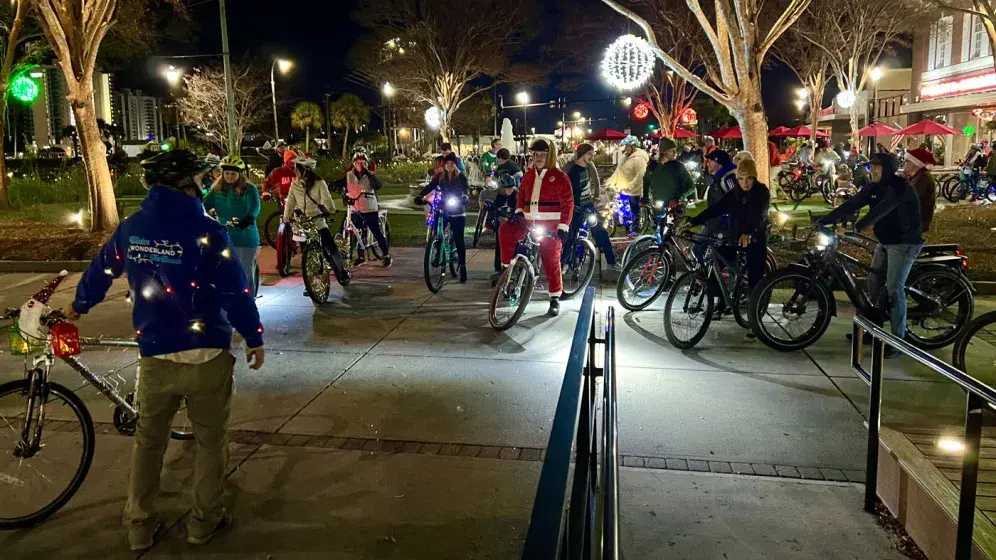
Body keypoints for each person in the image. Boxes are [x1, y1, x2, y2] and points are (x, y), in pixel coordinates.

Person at [69, 150, 264, 551]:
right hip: (206, 355)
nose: (205, 185)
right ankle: (203, 522)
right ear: (186, 184)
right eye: (200, 179)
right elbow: (235, 290)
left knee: (148, 443)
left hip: (155, 354)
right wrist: (253, 335)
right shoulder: (208, 230)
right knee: (210, 444)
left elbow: (102, 269)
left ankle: (139, 526)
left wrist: (79, 305)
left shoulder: (133, 228)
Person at [817, 153, 923, 358]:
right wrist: (825, 219)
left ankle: (899, 342)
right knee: (873, 284)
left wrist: (856, 228)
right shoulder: (873, 187)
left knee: (894, 289)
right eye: (870, 167)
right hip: (885, 241)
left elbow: (881, 210)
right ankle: (871, 330)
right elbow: (852, 204)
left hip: (904, 243)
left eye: (877, 167)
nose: (872, 171)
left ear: (888, 169)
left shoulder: (900, 188)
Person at [687, 157, 770, 339]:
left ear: (755, 177)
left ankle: (755, 321)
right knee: (717, 262)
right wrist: (693, 221)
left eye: (749, 178)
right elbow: (716, 208)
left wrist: (749, 232)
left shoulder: (762, 192)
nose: (745, 183)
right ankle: (720, 302)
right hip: (735, 237)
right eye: (741, 178)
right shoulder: (735, 193)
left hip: (755, 238)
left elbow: (759, 215)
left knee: (755, 280)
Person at [497, 139, 574, 316]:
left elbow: (568, 203)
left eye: (543, 155)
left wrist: (563, 226)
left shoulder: (560, 177)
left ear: (550, 156)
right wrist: (518, 212)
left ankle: (555, 297)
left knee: (551, 260)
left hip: (550, 227)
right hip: (528, 222)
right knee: (505, 230)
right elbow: (521, 195)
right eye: (536, 154)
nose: (538, 158)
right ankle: (506, 268)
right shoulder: (529, 175)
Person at [283, 155, 350, 283]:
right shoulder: (295, 184)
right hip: (302, 222)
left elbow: (327, 199)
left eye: (297, 168)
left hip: (317, 219)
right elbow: (290, 202)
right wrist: (287, 217)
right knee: (305, 254)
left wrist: (331, 210)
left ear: (306, 170)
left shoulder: (319, 183)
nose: (295, 171)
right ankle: (309, 283)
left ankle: (341, 270)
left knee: (329, 245)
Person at [203, 155, 261, 296]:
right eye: (226, 173)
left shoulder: (249, 189)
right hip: (224, 235)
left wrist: (248, 218)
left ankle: (249, 300)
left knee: (245, 272)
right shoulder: (216, 190)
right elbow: (204, 205)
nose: (229, 176)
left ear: (240, 174)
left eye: (233, 173)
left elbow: (255, 207)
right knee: (220, 270)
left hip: (245, 236)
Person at [415, 153, 470, 282]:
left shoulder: (461, 177)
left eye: (452, 163)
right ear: (444, 165)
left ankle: (462, 266)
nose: (449, 165)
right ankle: (438, 251)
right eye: (447, 163)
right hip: (444, 208)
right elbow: (430, 186)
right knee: (436, 231)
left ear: (455, 165)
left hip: (457, 210)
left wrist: (465, 197)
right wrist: (420, 195)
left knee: (459, 239)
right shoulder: (441, 177)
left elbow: (466, 190)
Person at [332, 153, 392, 267]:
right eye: (357, 162)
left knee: (376, 231)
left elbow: (378, 185)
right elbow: (338, 184)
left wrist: (368, 173)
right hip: (355, 207)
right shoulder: (349, 175)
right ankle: (360, 256)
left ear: (366, 164)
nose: (360, 165)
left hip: (369, 207)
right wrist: (333, 187)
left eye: (363, 162)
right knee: (358, 231)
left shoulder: (370, 175)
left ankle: (386, 255)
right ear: (353, 164)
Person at [562, 143, 616, 270]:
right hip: (575, 208)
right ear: (582, 154)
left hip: (588, 205)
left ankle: (611, 261)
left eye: (593, 154)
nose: (592, 156)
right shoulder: (571, 171)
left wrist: (596, 196)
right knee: (571, 236)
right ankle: (563, 264)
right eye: (589, 154)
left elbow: (596, 181)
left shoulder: (588, 166)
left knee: (600, 231)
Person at [693, 149, 738, 262]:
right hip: (713, 221)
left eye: (710, 160)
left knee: (720, 258)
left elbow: (735, 200)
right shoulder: (716, 178)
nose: (707, 163)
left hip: (723, 224)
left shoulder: (728, 178)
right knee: (697, 249)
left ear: (719, 163)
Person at [606, 135, 650, 237]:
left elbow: (640, 175)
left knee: (634, 210)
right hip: (623, 187)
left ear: (633, 146)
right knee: (622, 208)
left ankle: (635, 229)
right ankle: (624, 224)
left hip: (634, 189)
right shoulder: (624, 157)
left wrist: (630, 186)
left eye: (626, 146)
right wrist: (610, 181)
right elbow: (618, 171)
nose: (625, 148)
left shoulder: (639, 158)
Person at [644, 137, 695, 207]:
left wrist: (679, 198)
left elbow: (692, 186)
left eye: (675, 150)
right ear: (663, 152)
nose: (675, 153)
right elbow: (646, 182)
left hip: (675, 207)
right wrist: (645, 197)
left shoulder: (679, 166)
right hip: (656, 206)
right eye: (671, 151)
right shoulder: (652, 166)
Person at [903, 148, 937, 234]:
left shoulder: (923, 178)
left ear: (915, 163)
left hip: (917, 222)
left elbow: (907, 197)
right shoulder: (917, 176)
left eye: (907, 161)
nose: (904, 163)